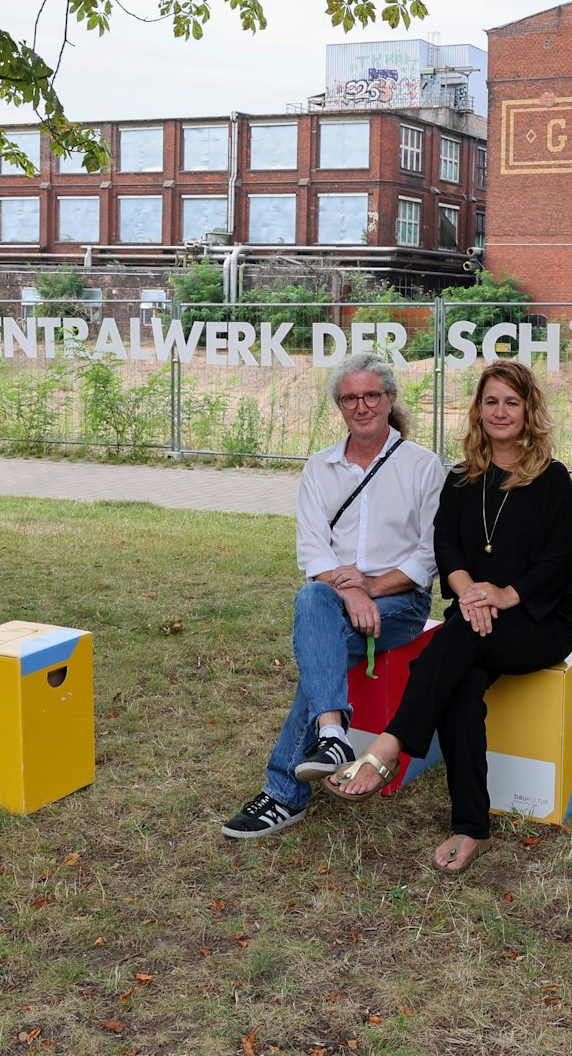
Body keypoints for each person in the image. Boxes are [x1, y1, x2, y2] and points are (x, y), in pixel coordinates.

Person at [324, 359, 572, 874]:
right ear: (478, 410)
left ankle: (389, 747)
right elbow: (445, 544)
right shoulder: (464, 479)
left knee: (444, 654)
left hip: (540, 620)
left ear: (529, 410)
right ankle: (471, 827)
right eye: (491, 401)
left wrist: (503, 595)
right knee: (460, 681)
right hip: (475, 618)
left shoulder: (553, 481)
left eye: (512, 401)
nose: (501, 411)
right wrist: (468, 593)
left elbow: (558, 562)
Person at [221, 351, 441, 839]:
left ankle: (285, 790)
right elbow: (313, 552)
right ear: (338, 406)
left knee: (318, 643)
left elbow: (428, 556)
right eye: (349, 398)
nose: (361, 406)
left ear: (390, 399)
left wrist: (370, 589)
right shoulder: (319, 468)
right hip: (333, 598)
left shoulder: (423, 466)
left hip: (401, 603)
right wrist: (349, 594)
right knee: (311, 601)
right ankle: (332, 737)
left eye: (370, 396)